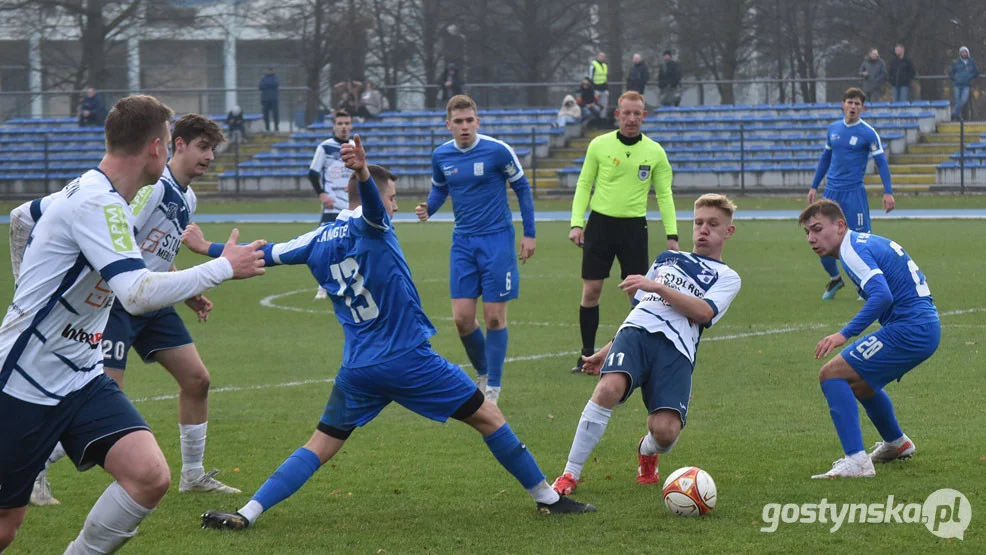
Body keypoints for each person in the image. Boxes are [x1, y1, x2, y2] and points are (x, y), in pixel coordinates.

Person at [192, 137, 595, 532]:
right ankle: (549, 499)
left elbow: (259, 254)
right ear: (375, 198)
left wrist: (206, 246)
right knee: (489, 417)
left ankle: (247, 512)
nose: (396, 205)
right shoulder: (373, 224)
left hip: (359, 367)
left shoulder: (313, 239)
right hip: (409, 359)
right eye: (393, 198)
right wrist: (365, 172)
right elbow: (371, 205)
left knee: (319, 445)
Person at [0, 94, 266, 553]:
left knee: (148, 477)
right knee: (7, 524)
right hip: (25, 377)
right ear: (159, 147)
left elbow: (22, 217)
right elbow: (136, 293)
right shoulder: (98, 203)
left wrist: (28, 282)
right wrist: (223, 266)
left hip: (81, 374)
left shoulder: (96, 191)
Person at [552, 194, 741, 496]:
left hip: (677, 350)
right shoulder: (667, 259)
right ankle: (568, 476)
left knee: (665, 433)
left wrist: (657, 286)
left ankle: (647, 450)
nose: (703, 229)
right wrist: (605, 351)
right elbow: (640, 310)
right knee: (608, 389)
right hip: (636, 333)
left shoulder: (727, 277)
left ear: (728, 232)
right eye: (698, 222)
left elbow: (704, 312)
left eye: (713, 224)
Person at [800, 200, 939, 479]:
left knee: (831, 374)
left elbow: (882, 295)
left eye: (817, 229)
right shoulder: (862, 242)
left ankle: (856, 461)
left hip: (910, 329)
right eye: (807, 232)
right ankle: (897, 444)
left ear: (840, 225)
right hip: (922, 327)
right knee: (860, 382)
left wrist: (844, 334)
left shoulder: (851, 250)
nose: (811, 238)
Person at [414, 95, 536, 405]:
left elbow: (522, 188)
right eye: (458, 122)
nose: (465, 126)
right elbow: (441, 188)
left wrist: (529, 234)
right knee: (462, 319)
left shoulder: (497, 151)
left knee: (494, 318)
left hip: (497, 240)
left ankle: (492, 388)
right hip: (463, 242)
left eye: (470, 120)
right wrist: (429, 207)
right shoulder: (441, 155)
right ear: (449, 125)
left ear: (477, 122)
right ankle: (483, 372)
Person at [568, 91, 677, 374]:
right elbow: (584, 184)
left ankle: (633, 353)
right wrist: (576, 222)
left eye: (636, 114)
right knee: (591, 291)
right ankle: (586, 356)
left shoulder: (655, 152)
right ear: (617, 115)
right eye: (626, 113)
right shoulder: (599, 145)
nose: (631, 119)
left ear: (644, 116)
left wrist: (672, 235)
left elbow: (664, 195)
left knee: (638, 295)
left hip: (633, 229)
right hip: (600, 225)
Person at [807, 87, 894, 300]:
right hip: (830, 194)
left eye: (857, 103)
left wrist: (888, 191)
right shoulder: (834, 129)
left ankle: (867, 286)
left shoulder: (868, 133)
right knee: (819, 238)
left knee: (861, 242)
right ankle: (836, 278)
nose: (853, 107)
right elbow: (825, 159)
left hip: (854, 194)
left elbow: (881, 162)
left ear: (862, 107)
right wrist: (814, 185)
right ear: (842, 104)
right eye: (850, 102)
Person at [307, 110, 354, 300]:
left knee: (351, 246)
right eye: (340, 123)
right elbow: (312, 173)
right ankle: (323, 286)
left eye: (347, 123)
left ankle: (348, 284)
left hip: (351, 206)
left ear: (351, 125)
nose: (344, 127)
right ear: (334, 126)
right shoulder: (325, 147)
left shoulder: (354, 146)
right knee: (326, 247)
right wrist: (322, 194)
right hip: (332, 206)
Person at [949, 46, 979, 121]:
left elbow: (976, 72)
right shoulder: (956, 62)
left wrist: (970, 76)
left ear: (967, 53)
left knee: (963, 100)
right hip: (957, 84)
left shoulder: (972, 62)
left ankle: (953, 113)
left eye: (965, 52)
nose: (964, 53)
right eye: (962, 52)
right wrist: (955, 78)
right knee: (957, 101)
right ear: (960, 53)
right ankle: (959, 117)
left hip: (966, 85)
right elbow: (951, 72)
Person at [259, 67, 280, 132]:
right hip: (265, 99)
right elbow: (260, 86)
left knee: (275, 114)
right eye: (269, 70)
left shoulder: (275, 77)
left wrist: (266, 85)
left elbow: (275, 84)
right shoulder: (263, 78)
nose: (270, 71)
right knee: (265, 115)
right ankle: (267, 128)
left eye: (271, 70)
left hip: (274, 99)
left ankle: (276, 127)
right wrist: (269, 85)